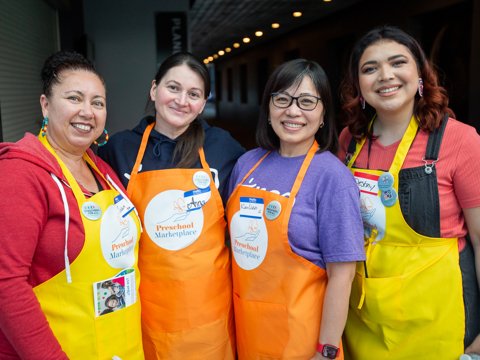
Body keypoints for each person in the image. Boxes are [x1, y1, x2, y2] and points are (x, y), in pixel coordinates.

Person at [338, 25, 480, 359]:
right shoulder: (348, 142)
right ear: (358, 86)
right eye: (370, 69)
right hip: (365, 319)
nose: (385, 75)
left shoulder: (460, 140)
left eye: (397, 63)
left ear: (420, 75)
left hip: (440, 321)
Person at [98, 51, 244, 359]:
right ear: (154, 90)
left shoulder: (222, 147)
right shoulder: (119, 149)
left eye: (194, 94)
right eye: (173, 88)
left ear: (203, 103)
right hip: (145, 309)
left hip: (208, 312)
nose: (182, 100)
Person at [0, 51, 143, 359]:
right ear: (45, 105)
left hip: (118, 343)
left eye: (97, 102)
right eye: (75, 98)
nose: (87, 111)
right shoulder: (20, 173)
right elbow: (6, 285)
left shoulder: (101, 169)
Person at [226, 59, 365, 359]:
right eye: (282, 99)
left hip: (303, 342)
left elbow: (343, 275)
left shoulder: (332, 177)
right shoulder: (247, 164)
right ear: (269, 107)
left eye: (306, 101)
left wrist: (325, 351)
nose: (292, 111)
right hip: (248, 334)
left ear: (324, 113)